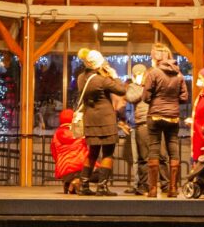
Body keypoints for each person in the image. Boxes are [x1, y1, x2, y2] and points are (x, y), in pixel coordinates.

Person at [73, 48, 132, 196]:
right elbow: (121, 90)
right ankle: (102, 187)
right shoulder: (102, 80)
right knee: (107, 153)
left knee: (92, 153)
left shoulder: (81, 78)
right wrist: (115, 76)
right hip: (106, 120)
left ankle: (84, 185)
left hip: (90, 118)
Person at [141, 43, 188, 198]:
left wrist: (157, 100)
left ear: (157, 57)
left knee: (154, 149)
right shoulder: (178, 74)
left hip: (155, 115)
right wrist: (172, 102)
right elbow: (184, 97)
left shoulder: (153, 73)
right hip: (173, 116)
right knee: (173, 149)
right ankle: (173, 189)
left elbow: (146, 97)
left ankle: (153, 189)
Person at [50, 108, 89, 193]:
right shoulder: (78, 133)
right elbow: (85, 149)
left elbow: (54, 153)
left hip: (63, 170)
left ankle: (68, 183)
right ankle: (77, 181)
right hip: (80, 168)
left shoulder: (56, 135)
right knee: (99, 171)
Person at [126, 62, 150, 195]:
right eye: (136, 74)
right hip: (137, 125)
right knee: (139, 157)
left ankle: (146, 184)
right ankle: (139, 184)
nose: (138, 76)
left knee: (146, 157)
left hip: (148, 123)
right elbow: (130, 98)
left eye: (141, 74)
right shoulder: (132, 87)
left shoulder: (150, 85)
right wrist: (143, 89)